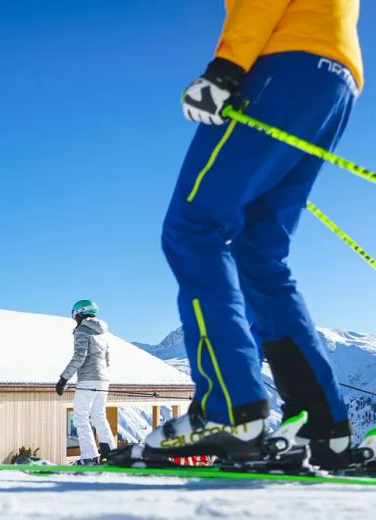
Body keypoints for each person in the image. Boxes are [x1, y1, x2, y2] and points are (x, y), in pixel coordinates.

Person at [145, 0, 363, 470]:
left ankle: (230, 412)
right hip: (337, 76)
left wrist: (226, 66)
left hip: (282, 64)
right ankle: (323, 428)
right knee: (260, 254)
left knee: (193, 228)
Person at [56, 300, 116, 465]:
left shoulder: (82, 330)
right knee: (99, 416)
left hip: (88, 379)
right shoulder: (103, 332)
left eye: (74, 314)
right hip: (103, 380)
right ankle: (110, 453)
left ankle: (89, 457)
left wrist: (63, 378)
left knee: (80, 418)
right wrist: (103, 379)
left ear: (80, 313)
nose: (74, 318)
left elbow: (79, 357)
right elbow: (107, 359)